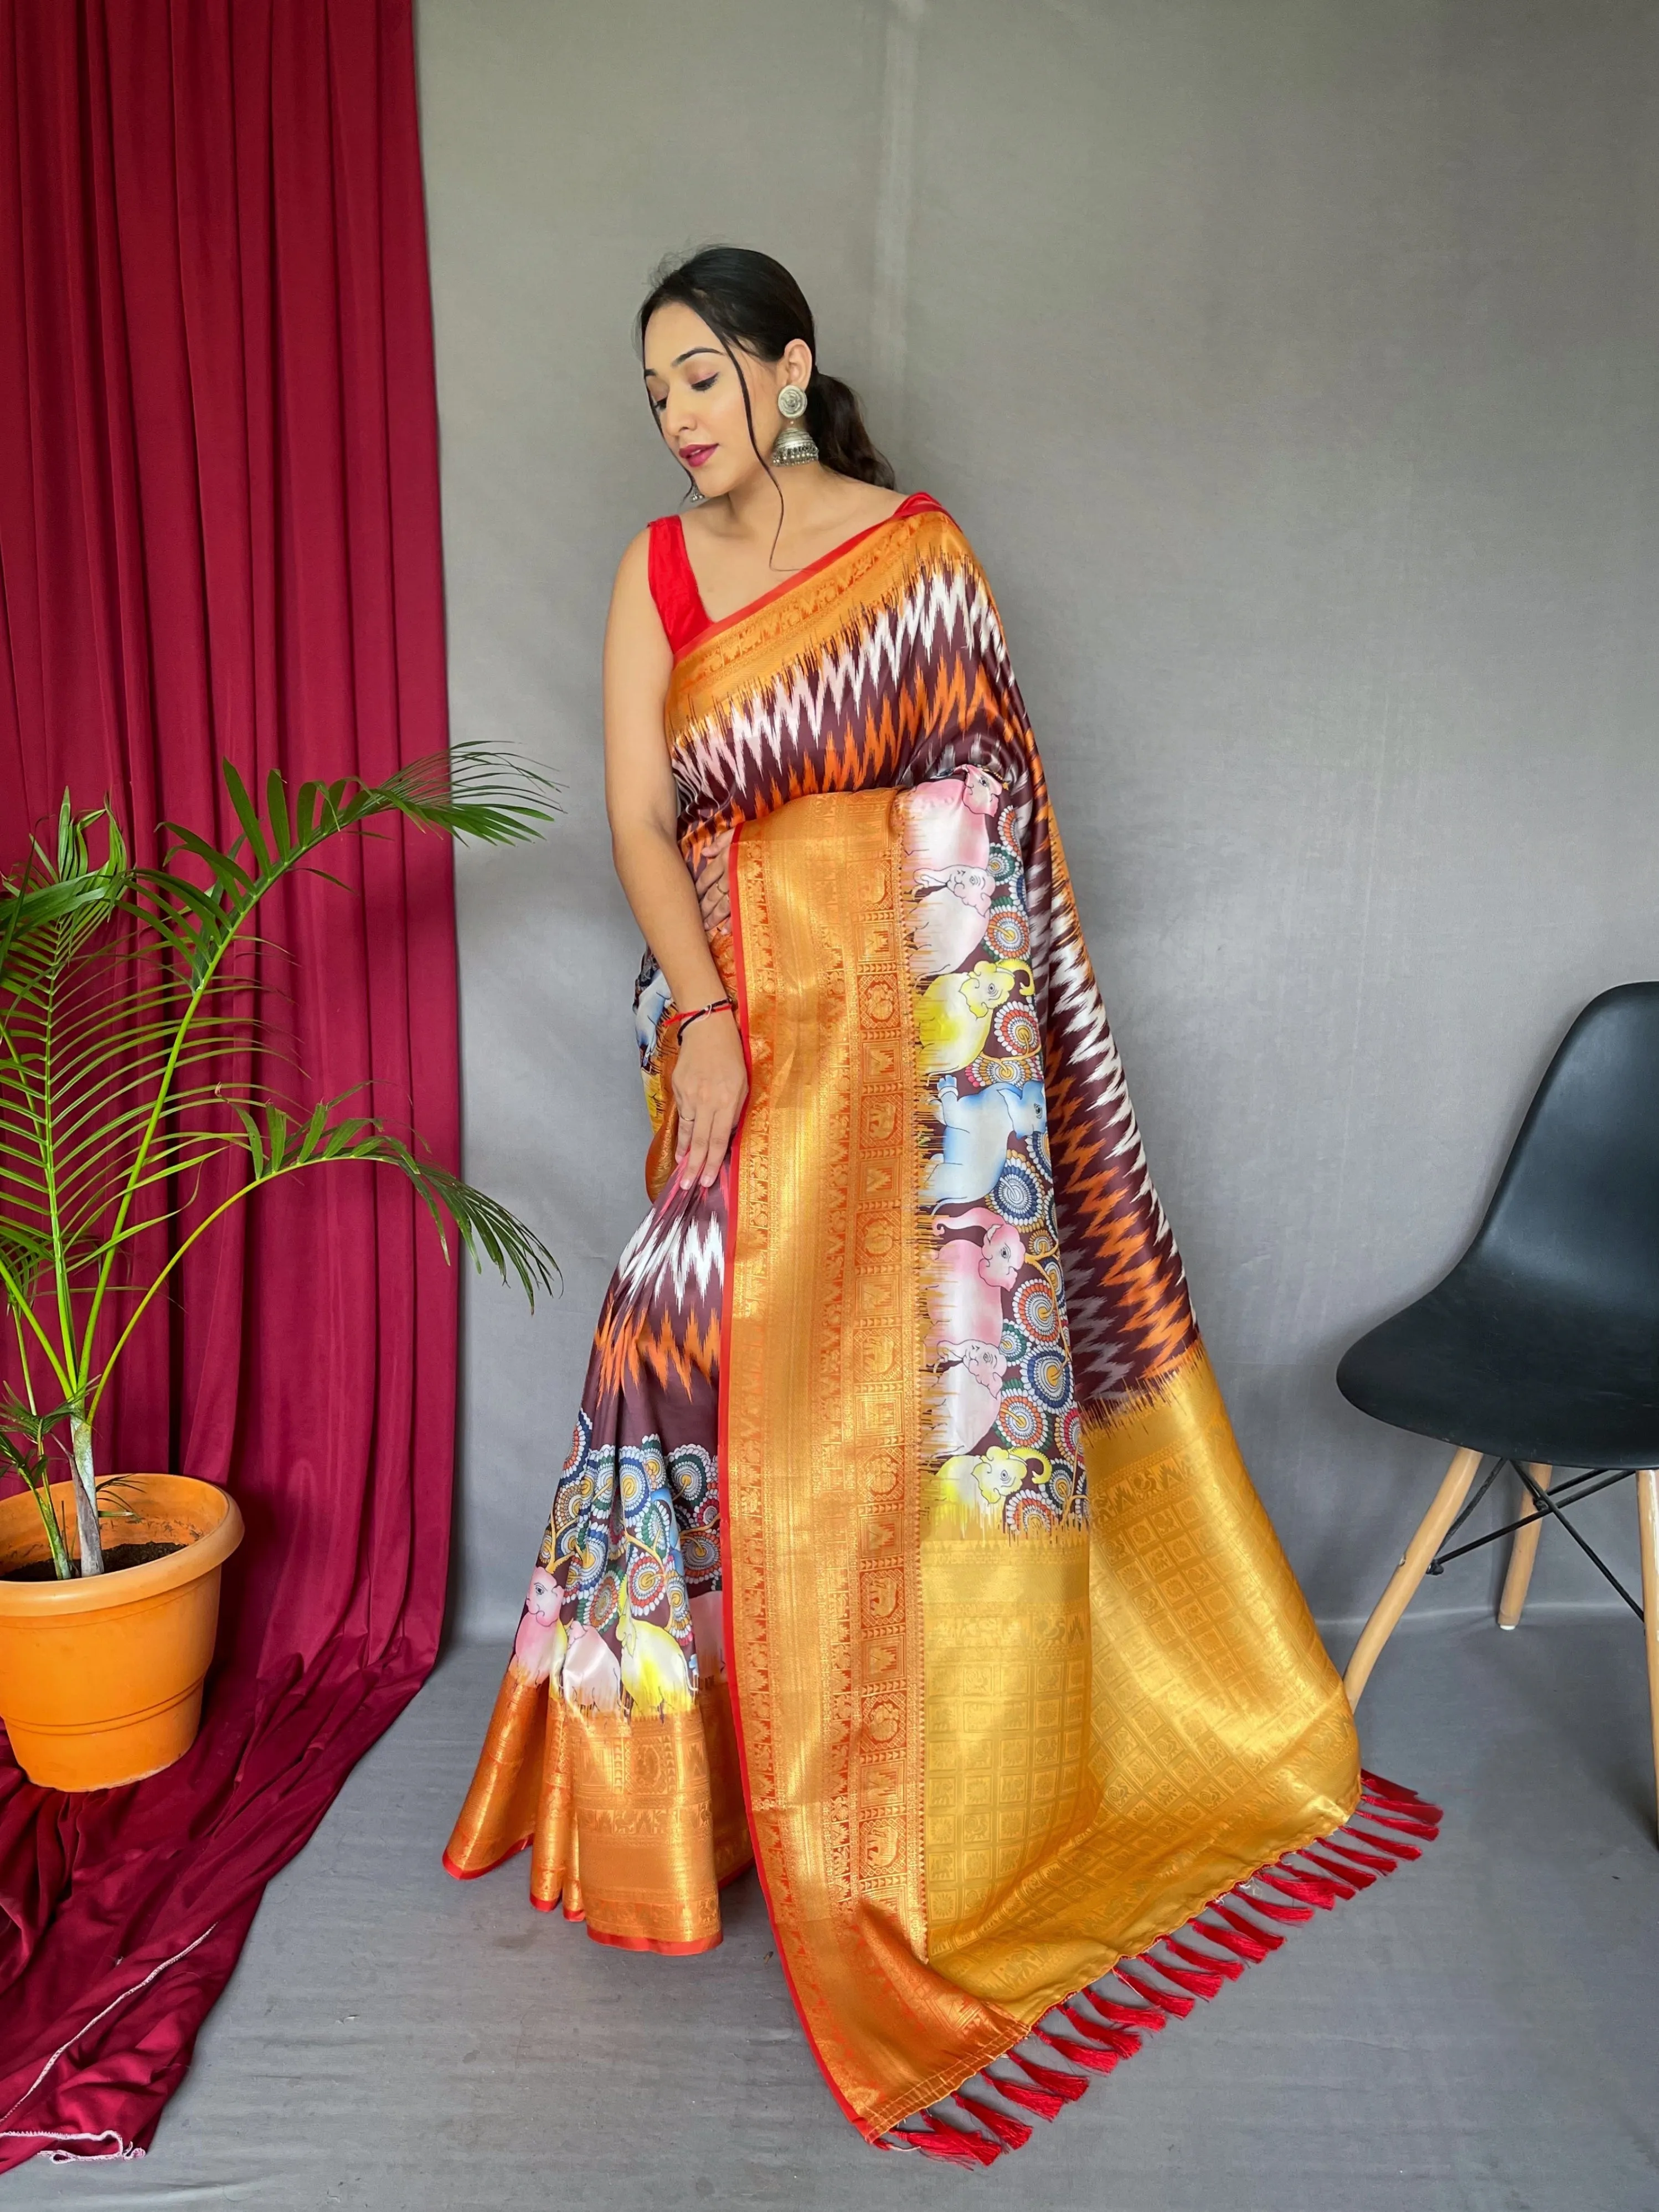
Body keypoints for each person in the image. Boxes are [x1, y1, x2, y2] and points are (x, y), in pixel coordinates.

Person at [442, 245, 1436, 2163]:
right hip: (732, 1036)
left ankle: (940, 1791)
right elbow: (644, 824)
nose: (676, 414)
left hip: (928, 1083)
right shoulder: (655, 580)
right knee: (678, 1358)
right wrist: (717, 1014)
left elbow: (993, 816)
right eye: (652, 389)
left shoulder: (915, 556)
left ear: (788, 369)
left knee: (929, 1403)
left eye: (701, 376)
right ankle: (676, 1807)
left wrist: (823, 903)